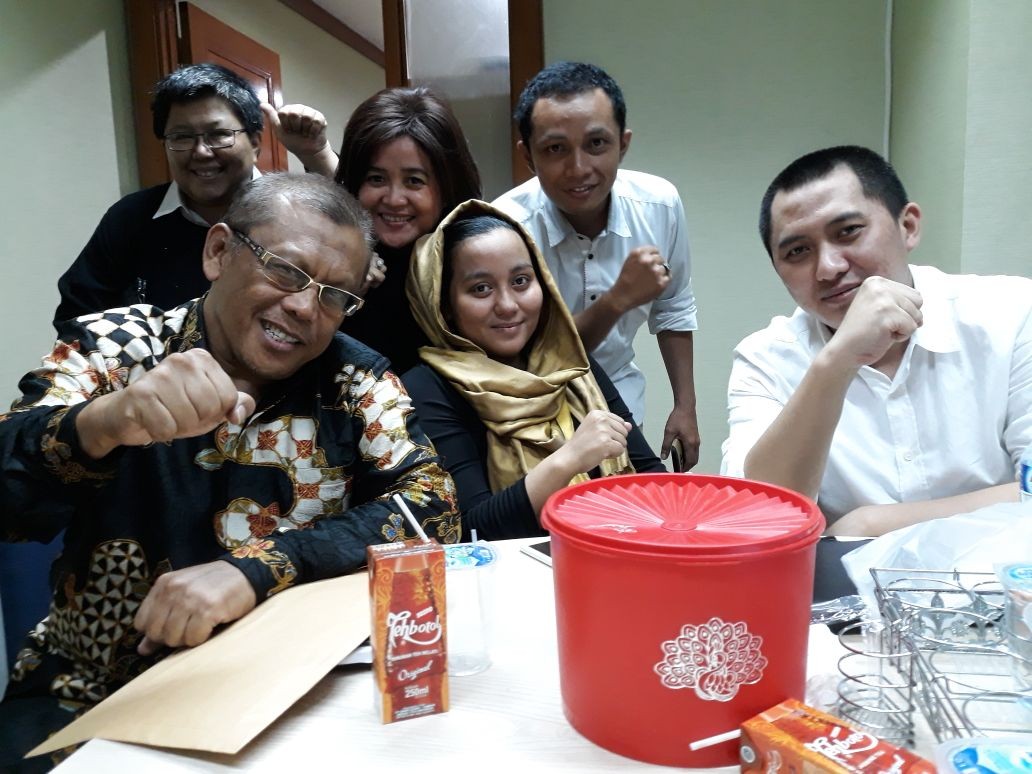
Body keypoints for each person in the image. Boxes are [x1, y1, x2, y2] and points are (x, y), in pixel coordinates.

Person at [0, 173, 459, 767]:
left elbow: (432, 509)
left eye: (334, 296)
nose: (304, 307)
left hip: (287, 690)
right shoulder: (117, 349)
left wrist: (260, 568)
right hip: (96, 693)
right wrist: (105, 422)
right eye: (286, 270)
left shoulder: (355, 380)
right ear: (218, 252)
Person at [721, 145, 1032, 536]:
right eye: (798, 251)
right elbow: (757, 519)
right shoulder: (765, 358)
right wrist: (835, 363)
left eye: (848, 232)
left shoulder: (1014, 313)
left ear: (908, 226)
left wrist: (867, 524)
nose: (828, 267)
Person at [402, 200, 665, 541]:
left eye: (521, 281)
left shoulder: (570, 365)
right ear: (444, 305)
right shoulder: (426, 388)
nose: (508, 305)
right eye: (481, 289)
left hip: (612, 553)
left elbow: (651, 479)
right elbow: (469, 532)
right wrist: (568, 459)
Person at [492, 61, 700, 470]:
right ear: (528, 156)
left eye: (597, 143)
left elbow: (673, 306)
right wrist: (617, 300)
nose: (579, 168)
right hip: (528, 411)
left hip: (621, 402)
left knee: (632, 504)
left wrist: (685, 405)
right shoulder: (504, 229)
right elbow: (536, 356)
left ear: (623, 144)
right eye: (555, 149)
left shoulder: (659, 205)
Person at [263, 87, 482, 374]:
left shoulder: (473, 258)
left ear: (446, 187)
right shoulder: (333, 262)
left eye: (414, 181)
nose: (394, 199)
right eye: (376, 179)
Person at [54, 64, 263, 325]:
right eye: (181, 137)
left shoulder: (293, 216)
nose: (201, 152)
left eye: (219, 134)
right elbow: (78, 319)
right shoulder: (130, 218)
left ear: (255, 143)